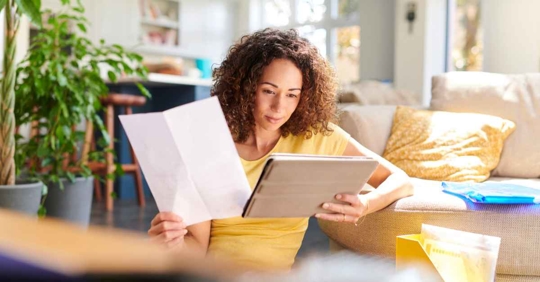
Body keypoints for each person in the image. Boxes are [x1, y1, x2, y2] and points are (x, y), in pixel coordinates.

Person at [148, 28, 413, 271]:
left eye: (292, 95)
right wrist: (174, 244)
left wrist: (366, 204)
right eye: (269, 91)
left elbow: (400, 180)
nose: (279, 107)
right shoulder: (209, 143)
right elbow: (198, 248)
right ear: (246, 88)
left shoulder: (317, 137)